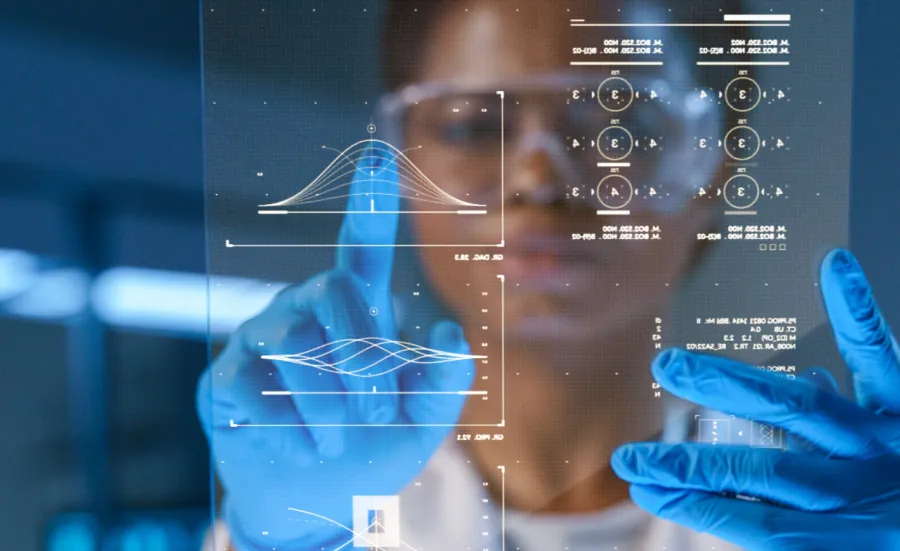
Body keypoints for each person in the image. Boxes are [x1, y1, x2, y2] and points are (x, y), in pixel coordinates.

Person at [198, 1, 900, 550]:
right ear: (399, 164)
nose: (537, 178)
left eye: (621, 126)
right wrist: (278, 540)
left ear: (713, 172)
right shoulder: (333, 511)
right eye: (473, 127)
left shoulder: (825, 504)